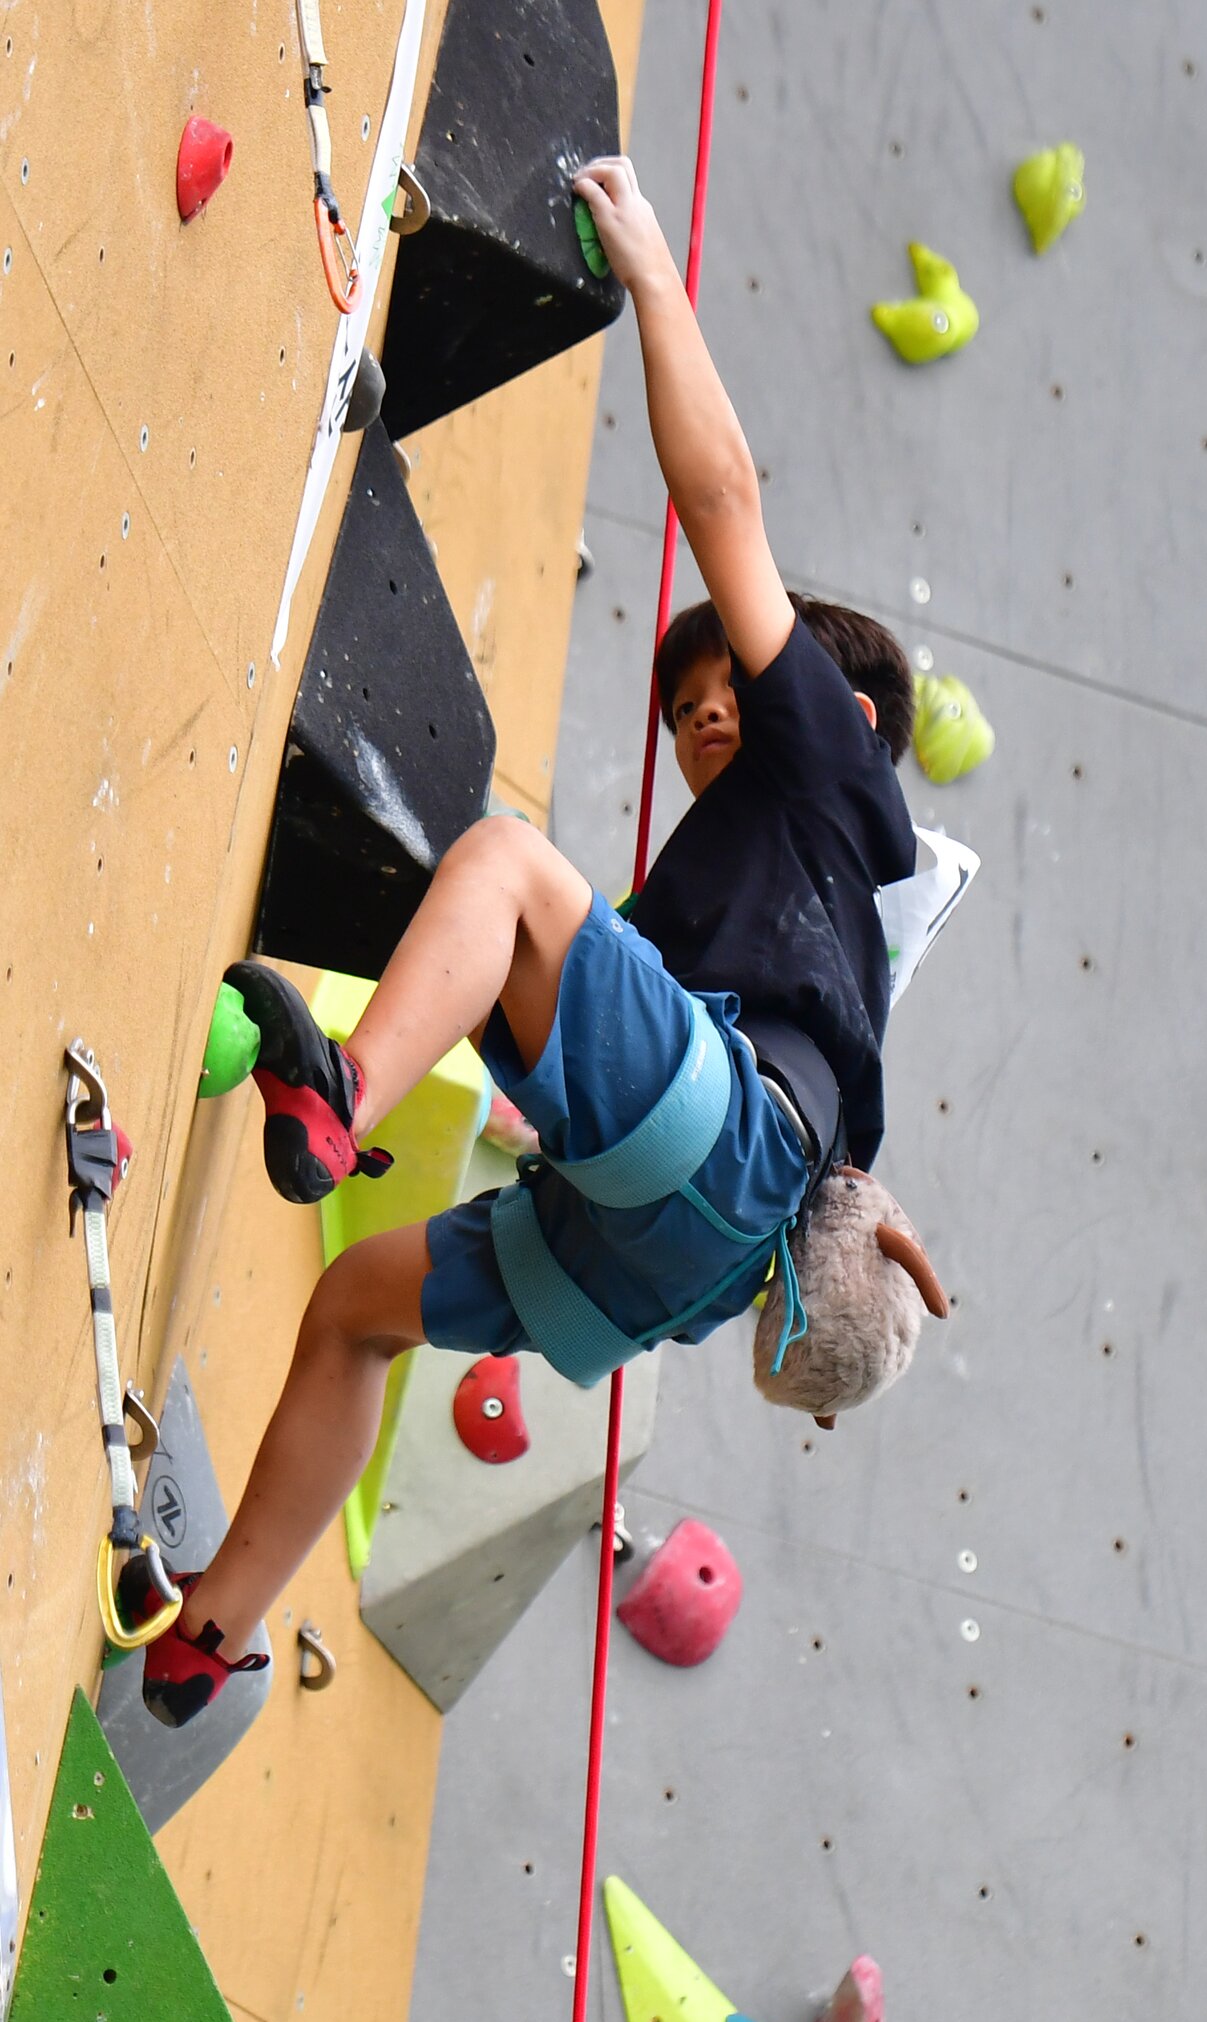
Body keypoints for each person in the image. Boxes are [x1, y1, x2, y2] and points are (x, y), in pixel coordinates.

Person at [122, 156, 945, 1729]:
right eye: (688, 704)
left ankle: (338, 1104)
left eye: (736, 691)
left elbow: (724, 503)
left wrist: (652, 277)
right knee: (356, 1306)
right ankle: (203, 1635)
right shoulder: (783, 907)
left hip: (725, 1151)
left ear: (838, 719)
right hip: (667, 1271)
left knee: (502, 853)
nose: (708, 710)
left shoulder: (836, 771)